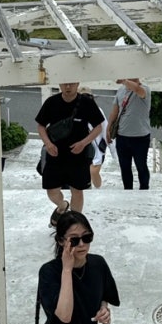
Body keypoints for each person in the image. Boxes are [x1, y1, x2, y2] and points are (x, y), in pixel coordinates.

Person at [35, 83, 105, 222]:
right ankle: (62, 206)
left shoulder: (86, 103)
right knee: (52, 191)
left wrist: (83, 143)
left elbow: (98, 127)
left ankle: (74, 222)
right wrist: (48, 144)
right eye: (65, 84)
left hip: (78, 156)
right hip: (55, 154)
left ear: (77, 84)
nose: (68, 87)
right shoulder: (52, 102)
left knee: (77, 190)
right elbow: (41, 125)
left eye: (71, 84)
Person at [105, 78, 151, 190]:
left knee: (141, 166)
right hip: (122, 136)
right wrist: (108, 127)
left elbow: (138, 90)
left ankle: (144, 189)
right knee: (125, 167)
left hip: (140, 137)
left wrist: (125, 81)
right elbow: (115, 110)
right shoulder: (121, 90)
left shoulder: (145, 89)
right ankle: (127, 190)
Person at [78, 87, 108, 188]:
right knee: (83, 172)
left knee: (94, 171)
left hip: (97, 147)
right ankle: (87, 188)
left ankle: (98, 190)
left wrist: (113, 149)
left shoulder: (98, 111)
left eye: (88, 96)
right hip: (81, 147)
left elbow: (105, 128)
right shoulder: (73, 111)